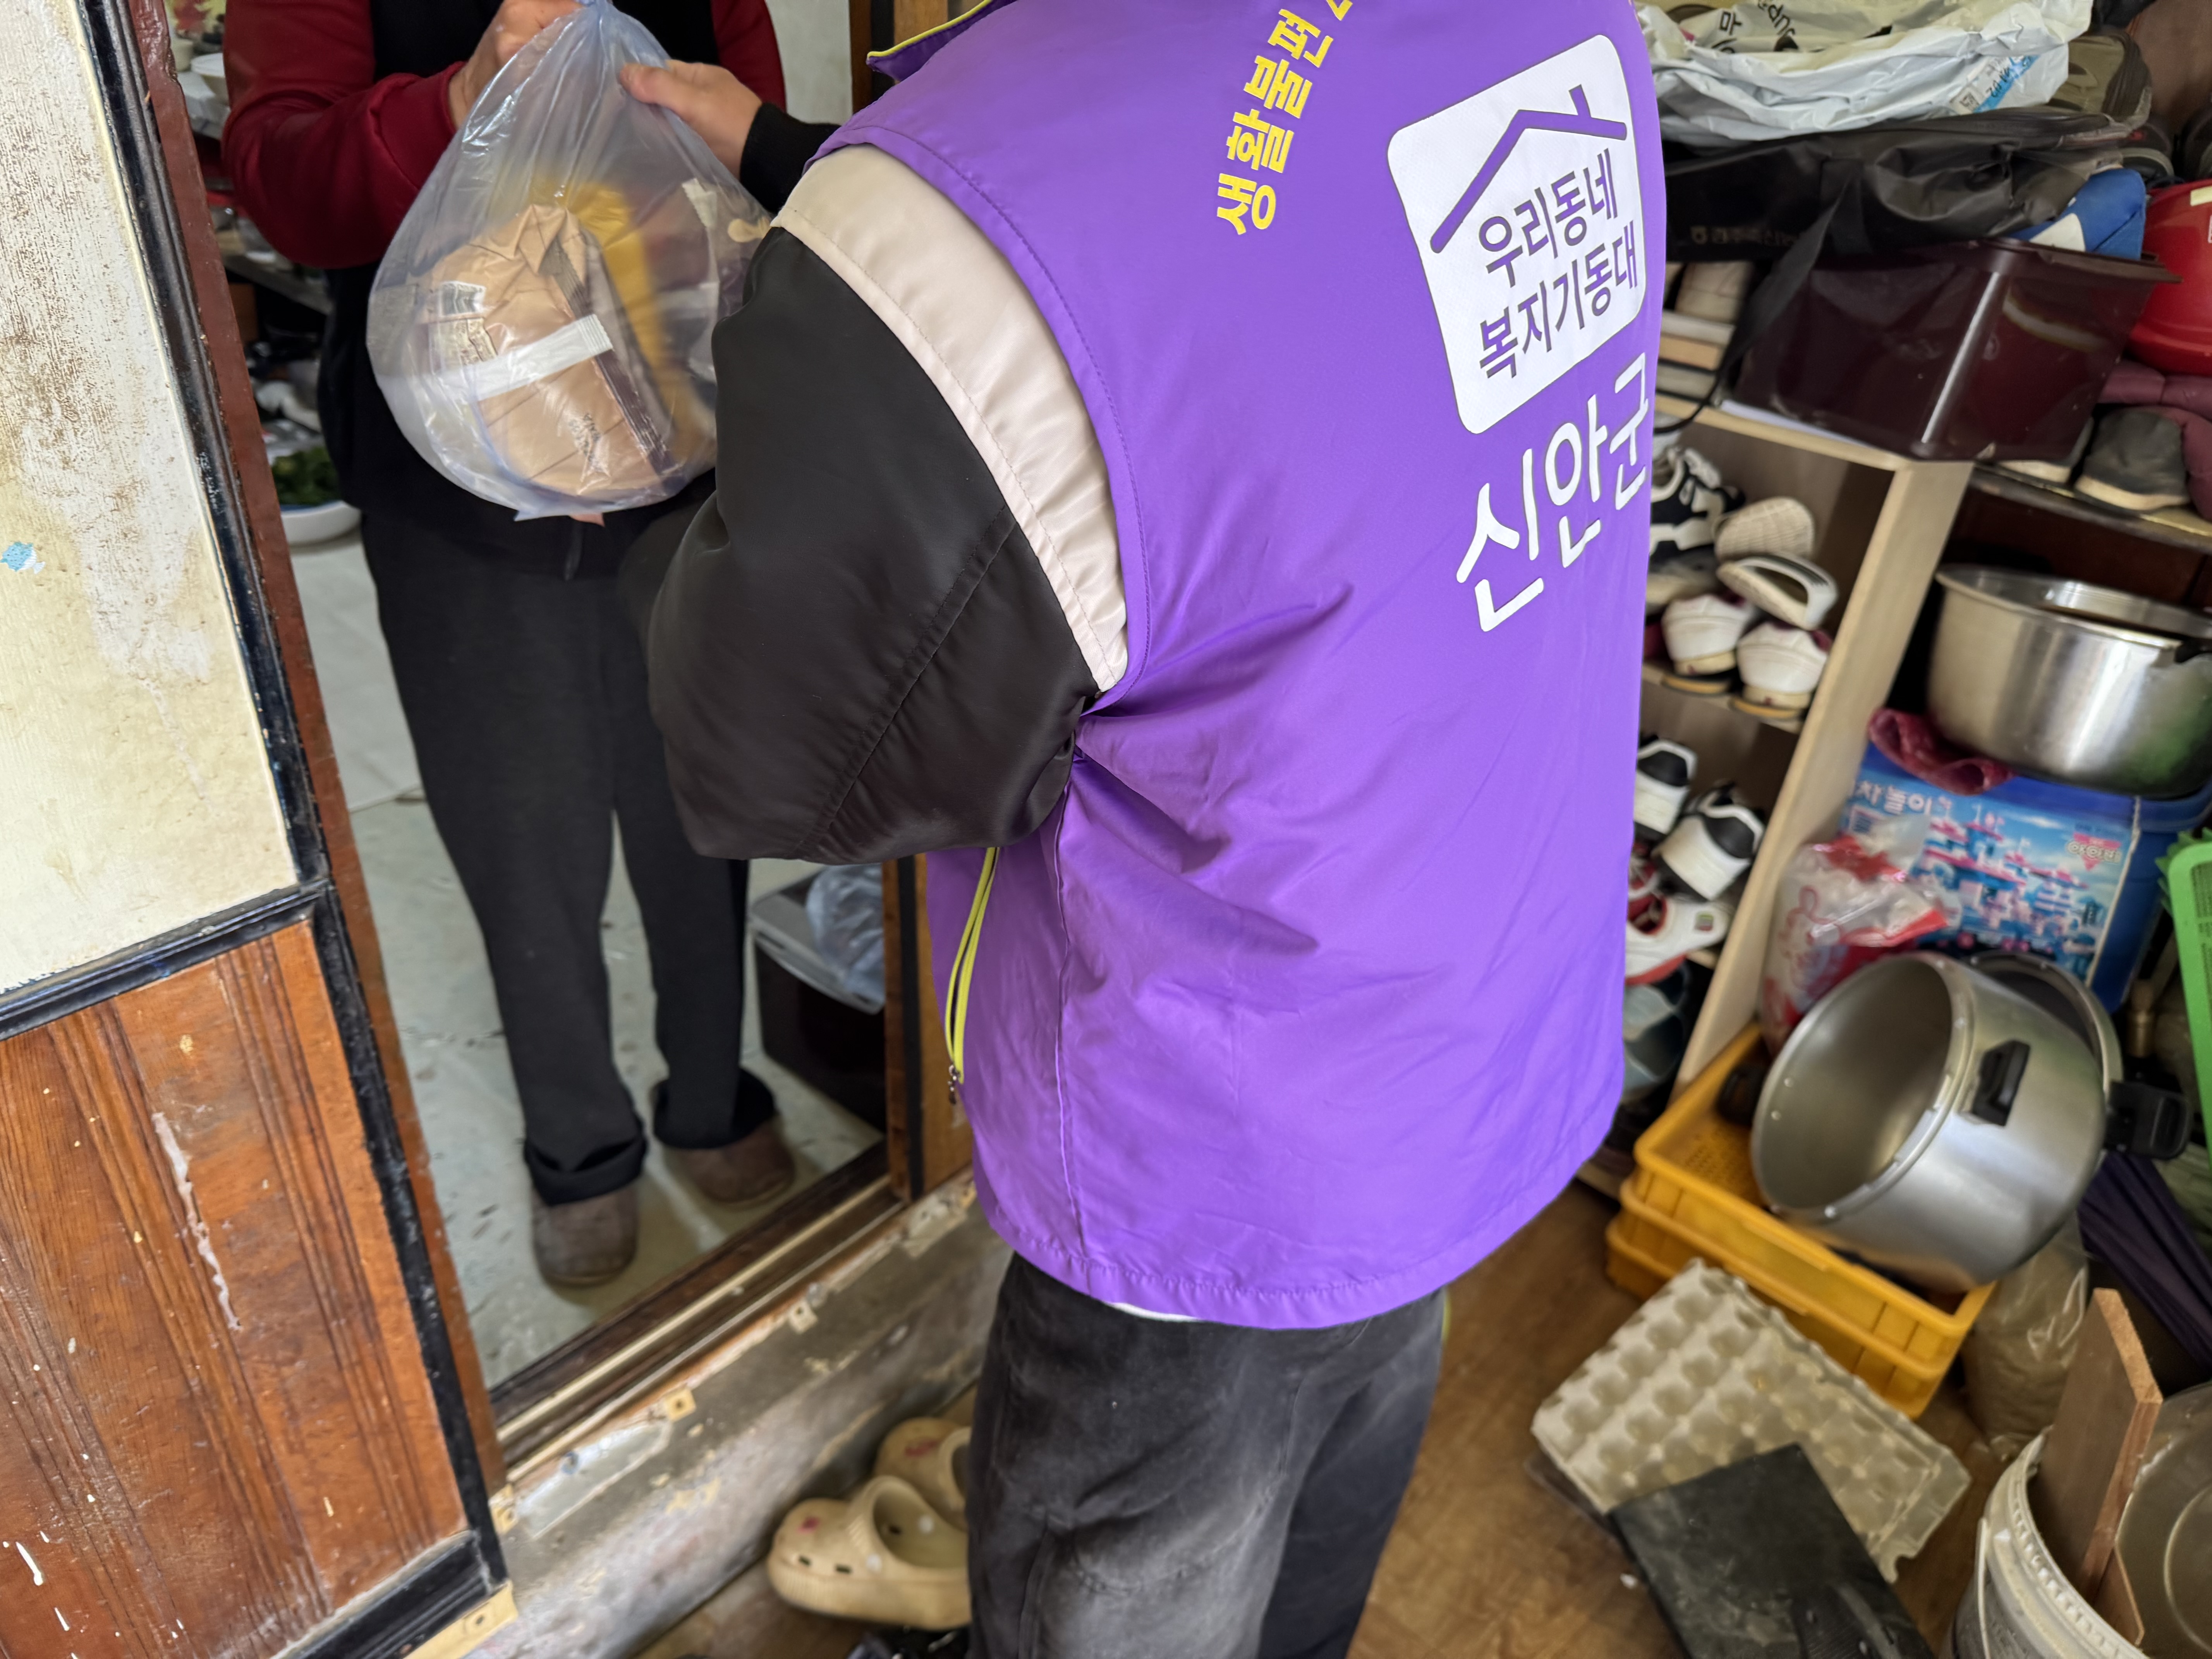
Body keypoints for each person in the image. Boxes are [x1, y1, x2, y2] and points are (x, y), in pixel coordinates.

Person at [639, 0, 1664, 1650]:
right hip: (1475, 1002)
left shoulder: (958, 242)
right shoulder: (1556, 18)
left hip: (1222, 1130)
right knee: (1331, 1462)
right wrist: (807, 176)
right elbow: (1277, 302)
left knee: (1126, 1561)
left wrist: (729, 391)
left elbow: (782, 753)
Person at [223, 0, 838, 1284]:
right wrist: (459, 101)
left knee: (696, 808)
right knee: (521, 835)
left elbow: (748, 141)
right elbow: (282, 184)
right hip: (458, 485)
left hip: (681, 447)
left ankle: (709, 1092)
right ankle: (581, 1146)